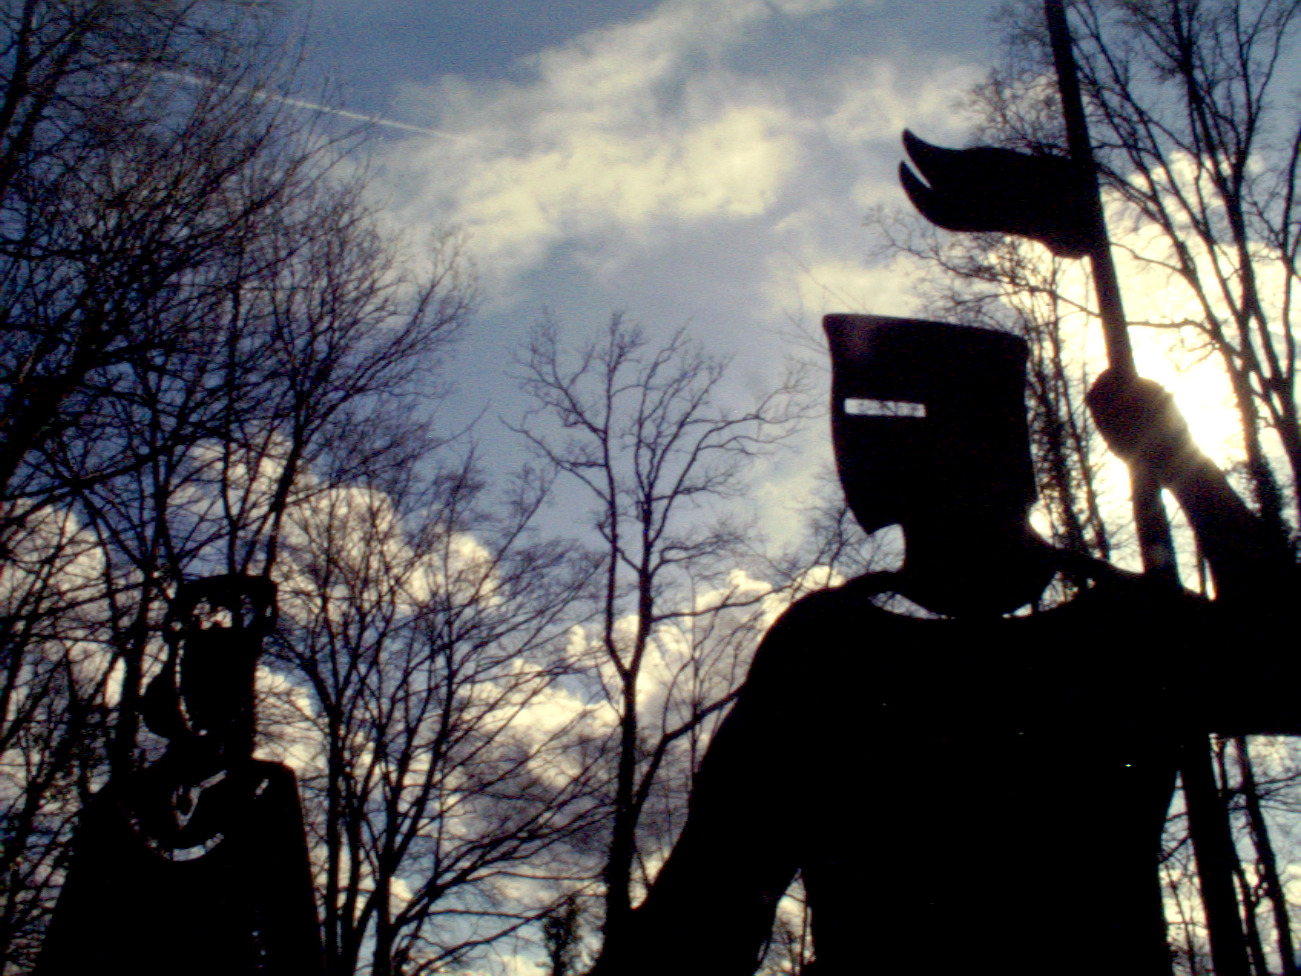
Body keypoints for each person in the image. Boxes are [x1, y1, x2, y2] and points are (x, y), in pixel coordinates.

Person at [590, 314, 1296, 976]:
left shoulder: (1118, 629)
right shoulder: (831, 649)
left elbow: (1286, 671)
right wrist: (1178, 462)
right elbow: (711, 898)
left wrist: (1180, 461)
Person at [36, 575, 323, 976]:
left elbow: (291, 920)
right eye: (196, 682)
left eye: (223, 684)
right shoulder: (121, 799)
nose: (205, 700)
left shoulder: (266, 787)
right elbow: (72, 927)